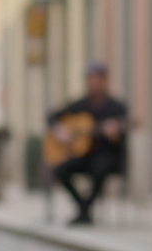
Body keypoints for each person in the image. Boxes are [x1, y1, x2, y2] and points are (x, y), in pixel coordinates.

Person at [48, 61, 128, 225]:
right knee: (60, 169)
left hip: (108, 156)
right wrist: (60, 131)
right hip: (84, 156)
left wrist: (114, 135)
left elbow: (122, 138)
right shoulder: (81, 105)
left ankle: (84, 210)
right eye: (91, 79)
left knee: (100, 168)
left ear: (105, 81)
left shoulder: (116, 107)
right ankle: (83, 207)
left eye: (97, 79)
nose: (94, 83)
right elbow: (52, 116)